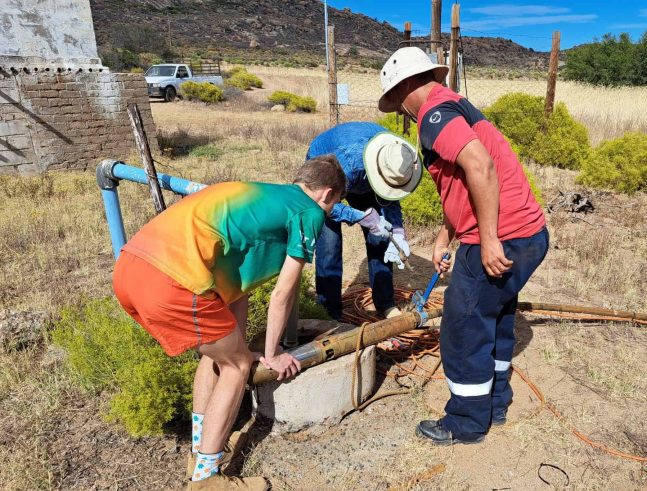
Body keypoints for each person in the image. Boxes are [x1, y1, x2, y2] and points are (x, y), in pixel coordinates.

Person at [112, 156, 346, 489]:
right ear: (327, 194)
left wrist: (240, 344)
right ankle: (208, 478)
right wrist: (272, 353)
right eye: (334, 204)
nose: (331, 211)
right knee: (235, 367)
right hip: (171, 280)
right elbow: (283, 294)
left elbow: (236, 290)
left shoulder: (264, 198)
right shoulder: (308, 212)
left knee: (216, 355)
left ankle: (198, 452)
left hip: (130, 268)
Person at [378, 47, 549, 445]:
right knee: (496, 314)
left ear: (405, 88)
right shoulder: (453, 105)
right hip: (528, 234)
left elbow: (481, 167)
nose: (400, 110)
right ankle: (496, 403)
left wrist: (487, 240)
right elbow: (462, 186)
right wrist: (444, 237)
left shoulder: (434, 115)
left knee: (464, 325)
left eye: (396, 101)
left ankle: (466, 422)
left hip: (503, 235)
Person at [306, 122, 422, 320]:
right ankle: (328, 311)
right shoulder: (348, 162)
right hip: (326, 174)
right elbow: (323, 203)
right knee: (330, 243)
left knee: (380, 239)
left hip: (365, 174)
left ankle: (385, 303)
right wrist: (360, 216)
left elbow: (390, 198)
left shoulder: (396, 156)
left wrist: (398, 231)